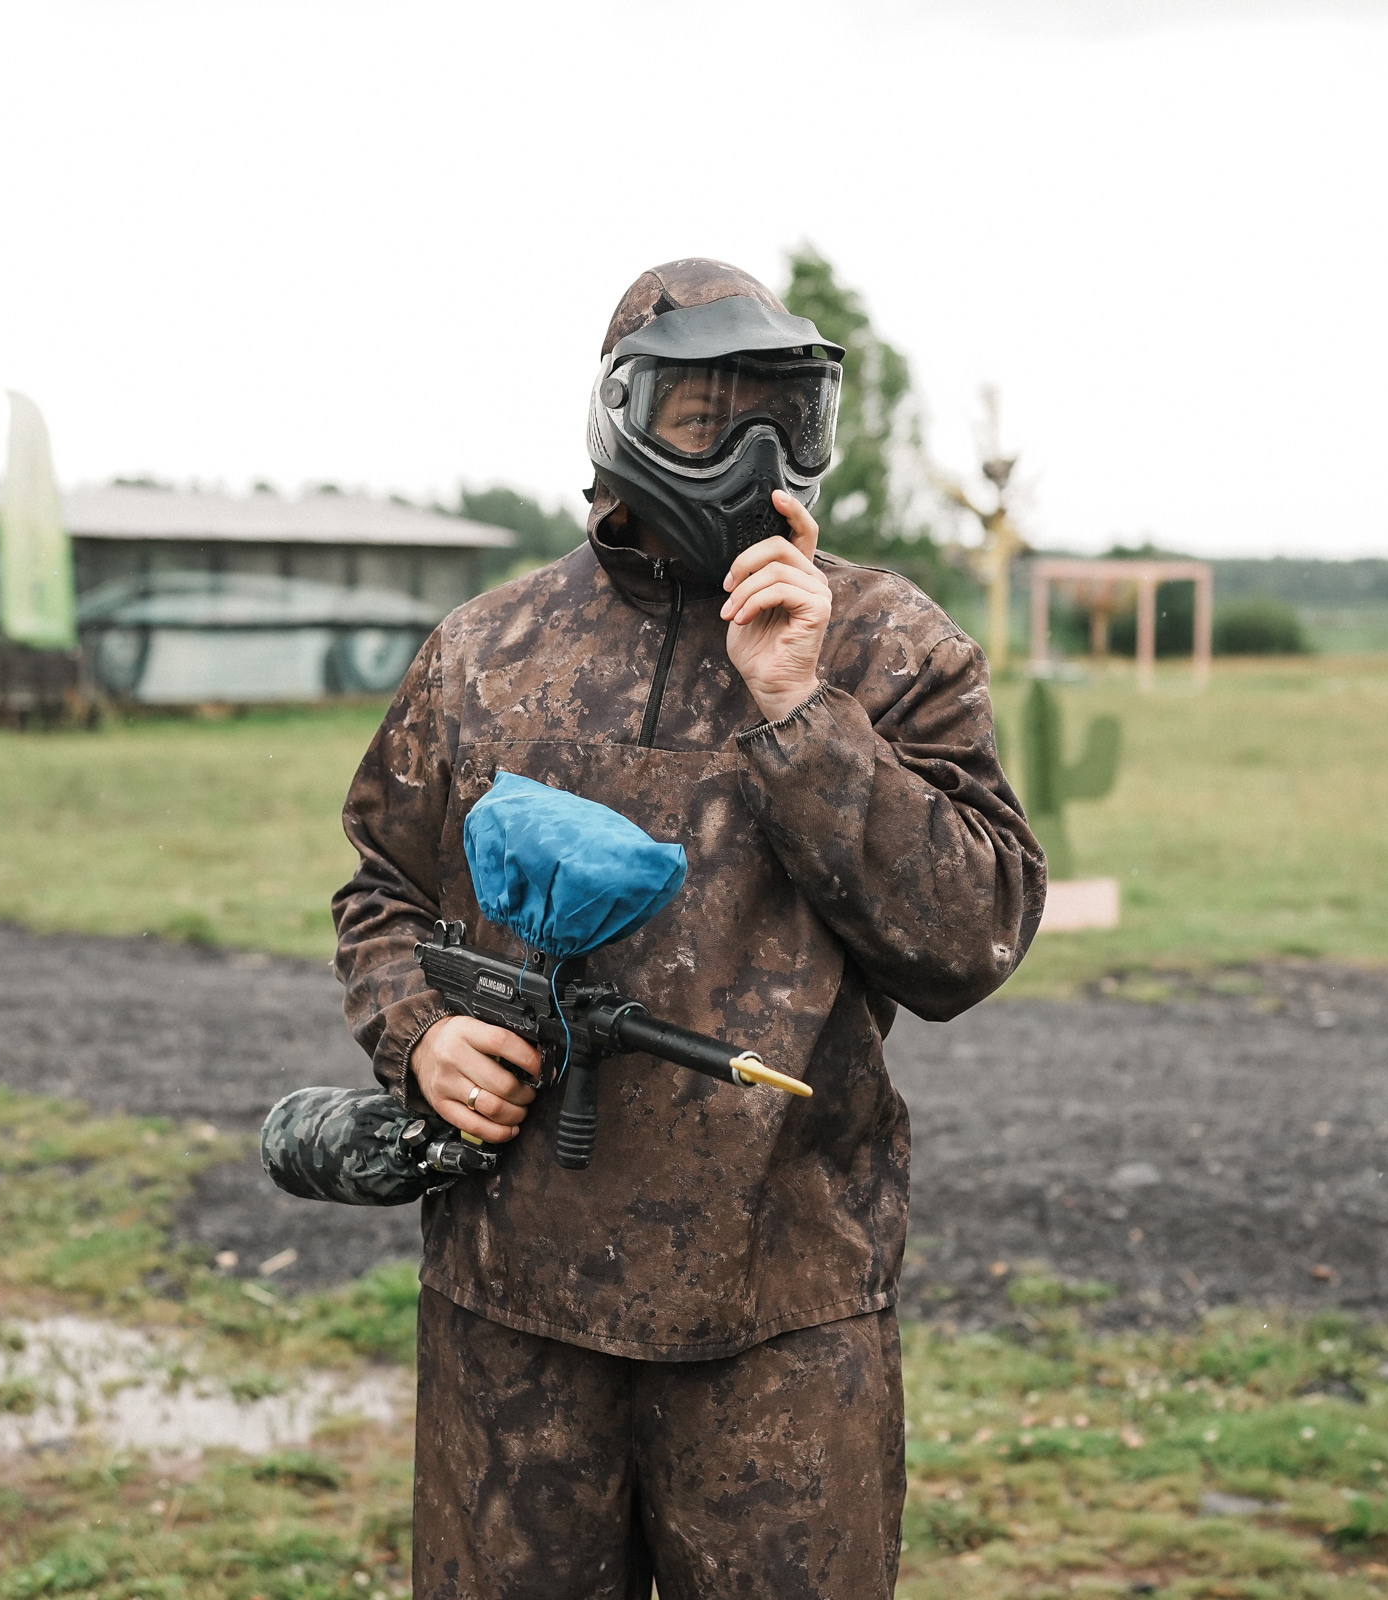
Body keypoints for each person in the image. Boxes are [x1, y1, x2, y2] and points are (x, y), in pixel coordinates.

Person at [333, 258, 1044, 1599]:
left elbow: (974, 938)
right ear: (622, 418)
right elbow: (382, 891)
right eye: (708, 417)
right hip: (513, 1302)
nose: (754, 455)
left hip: (783, 1315)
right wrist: (419, 1038)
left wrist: (799, 706)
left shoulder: (888, 649)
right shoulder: (487, 649)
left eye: (786, 417)